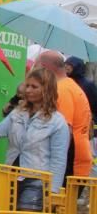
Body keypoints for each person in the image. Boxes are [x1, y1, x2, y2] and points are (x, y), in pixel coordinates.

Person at [0, 68, 70, 208]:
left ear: (47, 89)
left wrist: (53, 191)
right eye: (27, 85)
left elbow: (59, 160)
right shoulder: (17, 112)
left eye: (34, 87)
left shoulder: (58, 122)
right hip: (10, 174)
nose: (28, 90)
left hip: (37, 180)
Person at [36, 51, 92, 179]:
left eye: (37, 67)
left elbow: (64, 130)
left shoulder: (61, 90)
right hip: (76, 158)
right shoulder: (69, 85)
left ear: (44, 68)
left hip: (69, 162)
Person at [66, 56, 97, 134]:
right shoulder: (64, 81)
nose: (66, 67)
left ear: (77, 66)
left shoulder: (88, 85)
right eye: (65, 64)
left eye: (70, 64)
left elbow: (94, 105)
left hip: (84, 123)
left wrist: (94, 127)